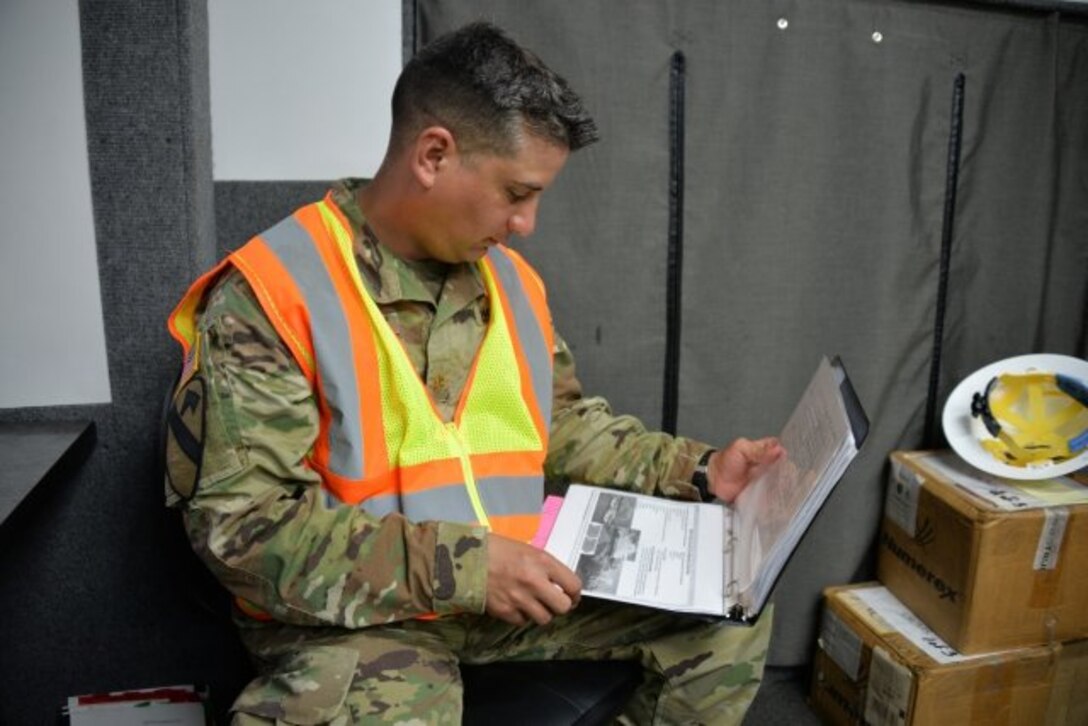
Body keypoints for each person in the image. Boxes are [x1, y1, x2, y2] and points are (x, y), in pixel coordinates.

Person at [164, 21, 783, 725]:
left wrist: (698, 470)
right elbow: (244, 534)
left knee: (730, 608)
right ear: (433, 154)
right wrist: (466, 568)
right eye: (517, 193)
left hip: (507, 586)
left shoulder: (510, 284)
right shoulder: (272, 295)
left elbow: (562, 424)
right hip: (355, 615)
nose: (527, 224)